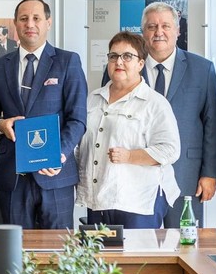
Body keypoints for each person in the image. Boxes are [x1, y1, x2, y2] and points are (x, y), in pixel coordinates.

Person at [0, 0, 88, 229]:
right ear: (15, 24)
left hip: (55, 174)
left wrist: (59, 154)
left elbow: (78, 119)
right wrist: (0, 125)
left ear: (48, 22)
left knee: (59, 247)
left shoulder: (68, 61)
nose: (30, 24)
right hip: (13, 176)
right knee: (15, 247)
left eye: (36, 18)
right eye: (24, 18)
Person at [76, 32, 180, 228]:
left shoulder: (155, 103)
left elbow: (170, 150)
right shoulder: (92, 99)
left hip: (137, 201)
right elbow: (79, 144)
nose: (119, 62)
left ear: (140, 64)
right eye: (113, 56)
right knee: (99, 249)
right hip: (98, 198)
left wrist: (130, 156)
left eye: (127, 56)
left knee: (136, 249)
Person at [139, 2, 216, 228]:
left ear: (178, 30)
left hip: (187, 175)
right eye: (151, 27)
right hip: (135, 176)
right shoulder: (126, 67)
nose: (159, 32)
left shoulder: (202, 69)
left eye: (166, 26)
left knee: (185, 242)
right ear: (143, 32)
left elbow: (213, 125)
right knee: (138, 242)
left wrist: (210, 174)